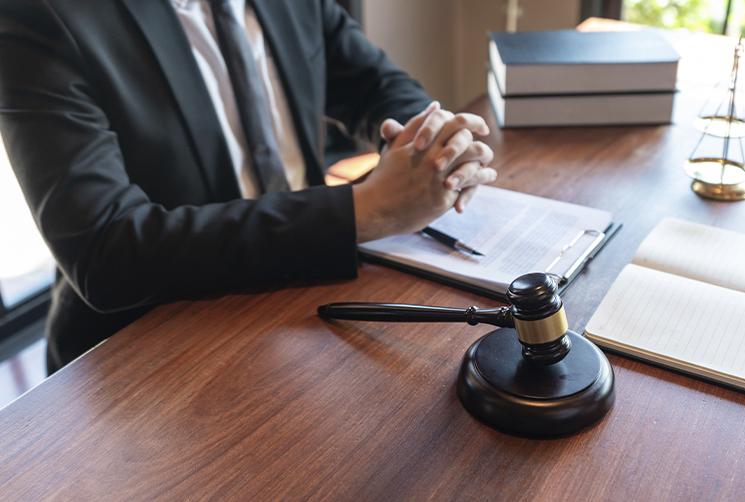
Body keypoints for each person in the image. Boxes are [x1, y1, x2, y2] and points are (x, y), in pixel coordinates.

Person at [0, 0, 496, 372]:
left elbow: (372, 83)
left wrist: (435, 147)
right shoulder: (39, 17)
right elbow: (107, 250)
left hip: (305, 295)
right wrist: (362, 211)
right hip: (151, 345)